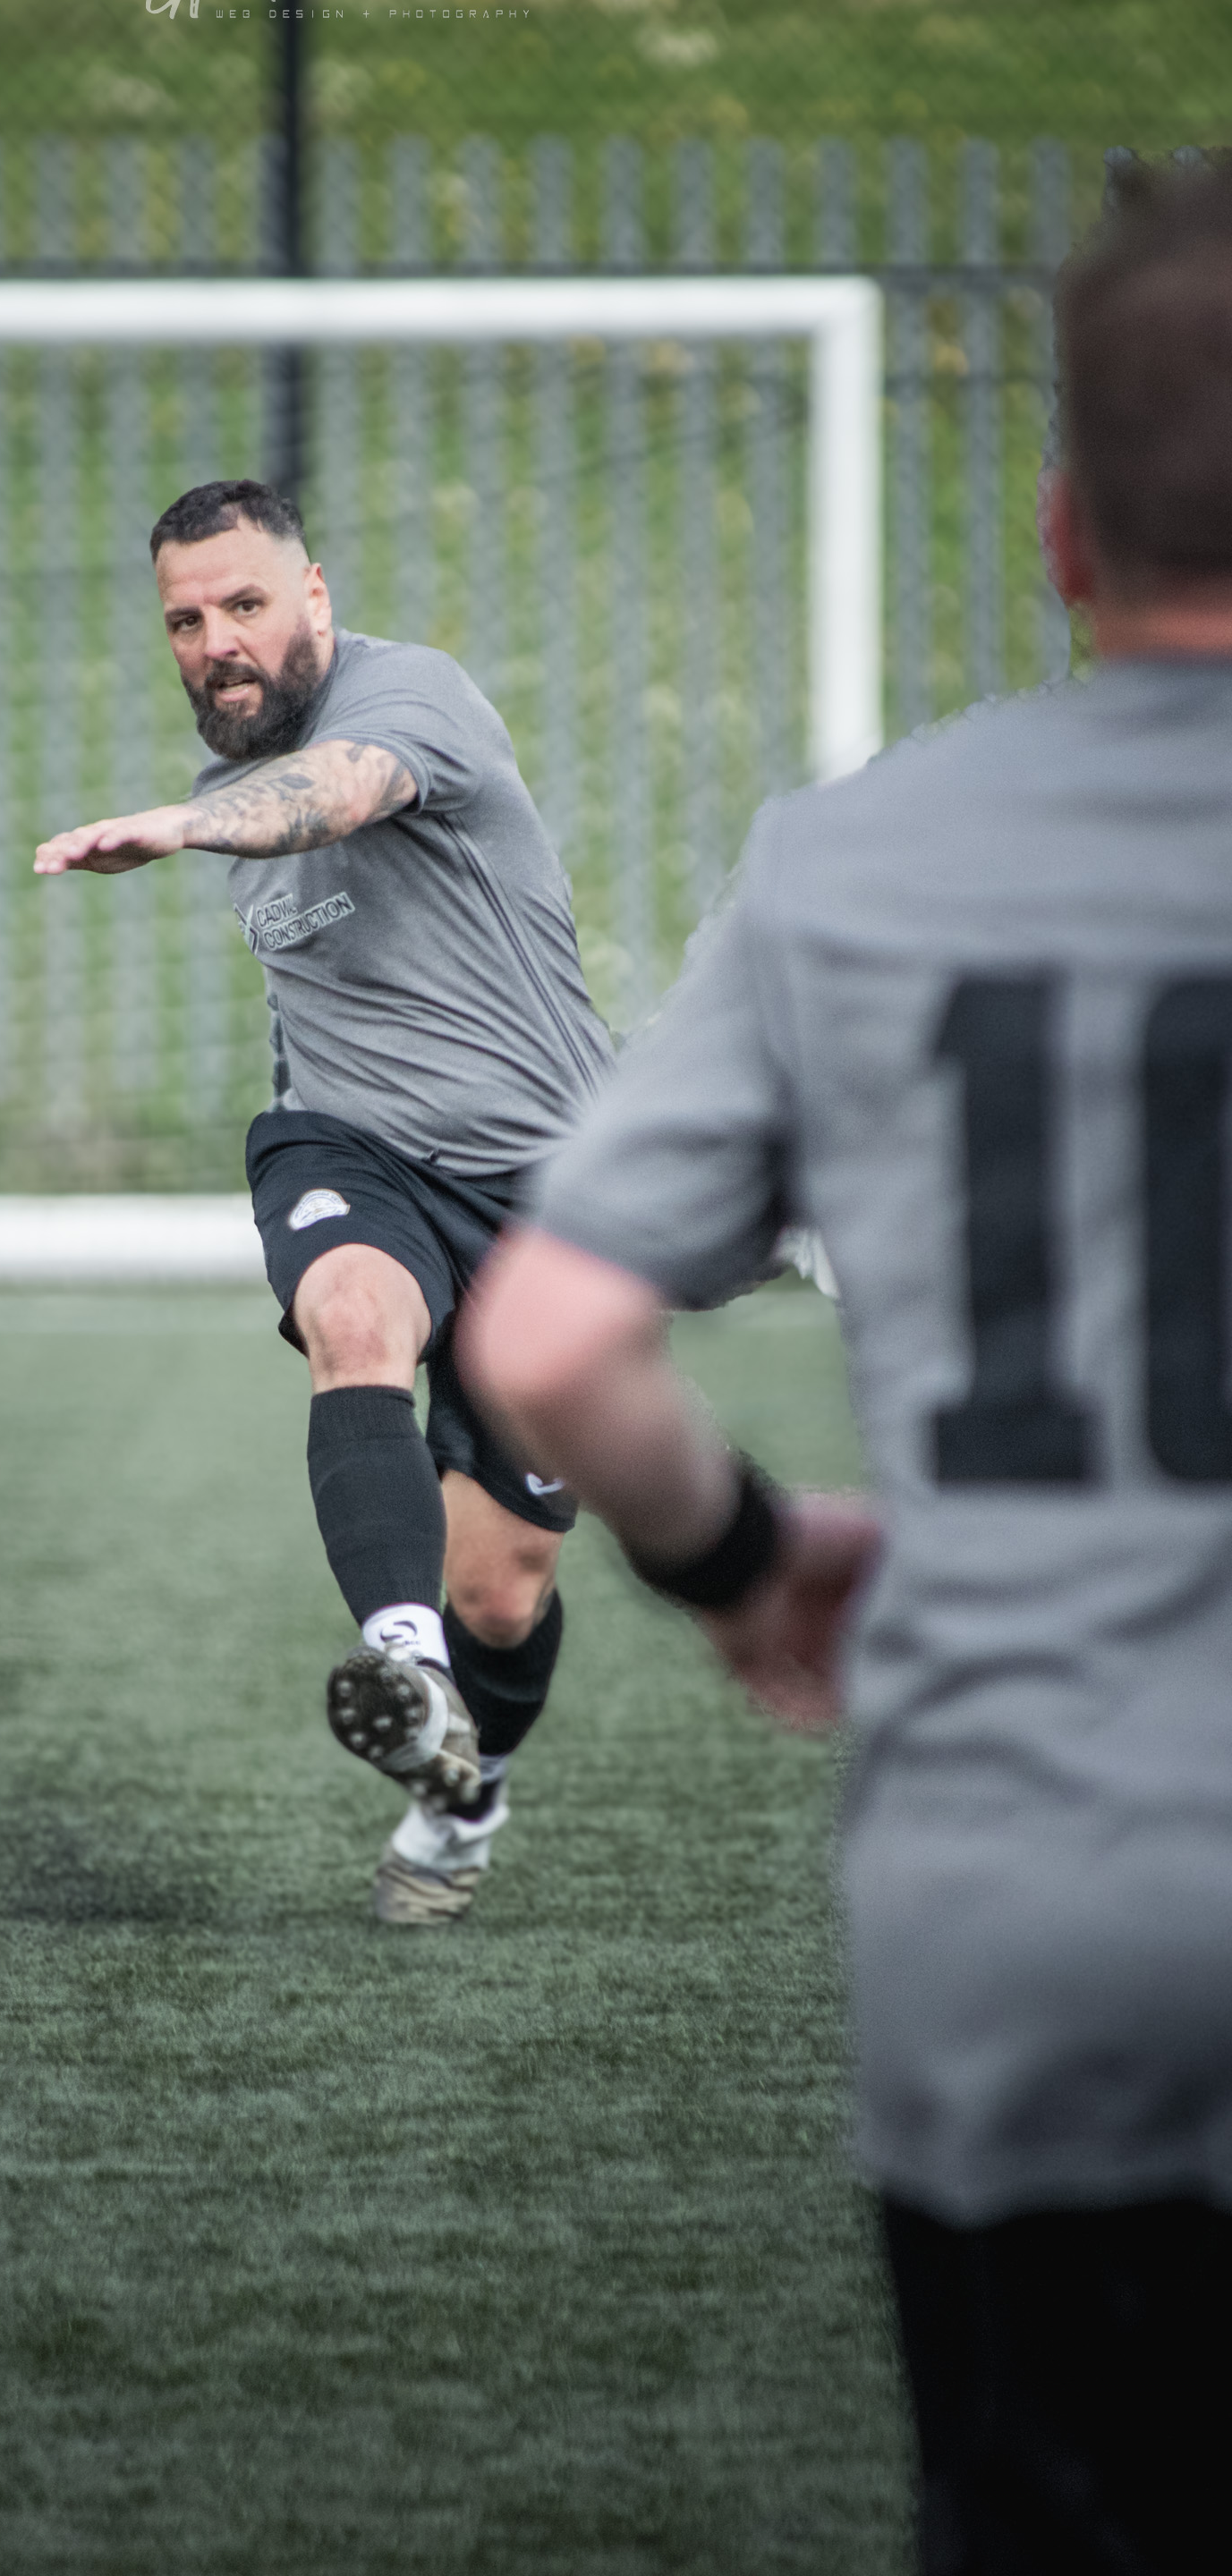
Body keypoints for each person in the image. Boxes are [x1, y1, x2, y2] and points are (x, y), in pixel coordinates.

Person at [460, 156, 1232, 2572]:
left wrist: (753, 1558)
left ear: (1060, 533)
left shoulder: (854, 863)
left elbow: (557, 1334)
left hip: (1024, 1926)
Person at [33, 478, 614, 1923]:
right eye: (185, 619)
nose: (216, 642)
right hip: (346, 1148)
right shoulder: (232, 794)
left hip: (546, 1184)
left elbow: (341, 792)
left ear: (316, 599)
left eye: (244, 604)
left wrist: (190, 824)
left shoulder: (412, 699)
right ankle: (402, 1661)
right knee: (354, 1312)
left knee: (507, 1589)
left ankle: (460, 1793)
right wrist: (208, 818)